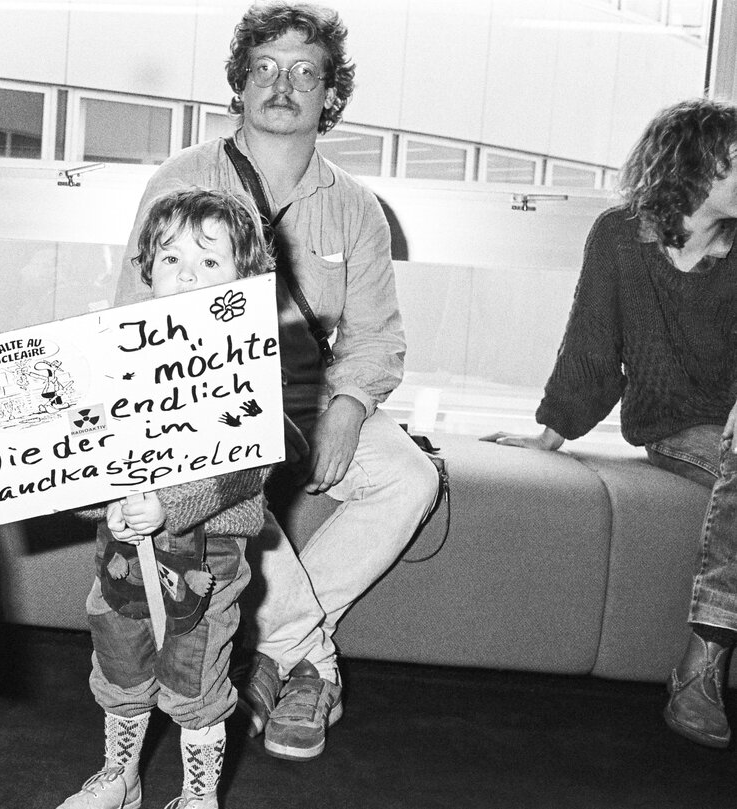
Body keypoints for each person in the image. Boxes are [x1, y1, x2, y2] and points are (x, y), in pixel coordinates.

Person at [113, 2, 439, 761]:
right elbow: (134, 312)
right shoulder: (181, 177)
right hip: (202, 398)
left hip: (308, 393)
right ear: (239, 84)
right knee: (227, 483)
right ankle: (308, 664)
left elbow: (376, 338)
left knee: (409, 476)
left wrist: (349, 410)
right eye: (264, 68)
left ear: (330, 93)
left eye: (303, 71)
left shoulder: (357, 207)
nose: (282, 84)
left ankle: (263, 651)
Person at [483, 97, 737, 749]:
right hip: (680, 426)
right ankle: (704, 663)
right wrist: (549, 432)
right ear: (695, 162)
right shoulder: (621, 237)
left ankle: (701, 665)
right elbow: (593, 350)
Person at [58, 187, 275, 809]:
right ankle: (119, 777)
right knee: (121, 665)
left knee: (196, 676)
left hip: (210, 560)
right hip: (121, 557)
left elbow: (247, 470)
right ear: (145, 269)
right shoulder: (108, 359)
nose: (188, 275)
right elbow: (73, 463)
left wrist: (172, 504)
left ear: (247, 277)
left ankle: (198, 796)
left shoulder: (246, 364)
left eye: (211, 262)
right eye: (172, 257)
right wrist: (95, 502)